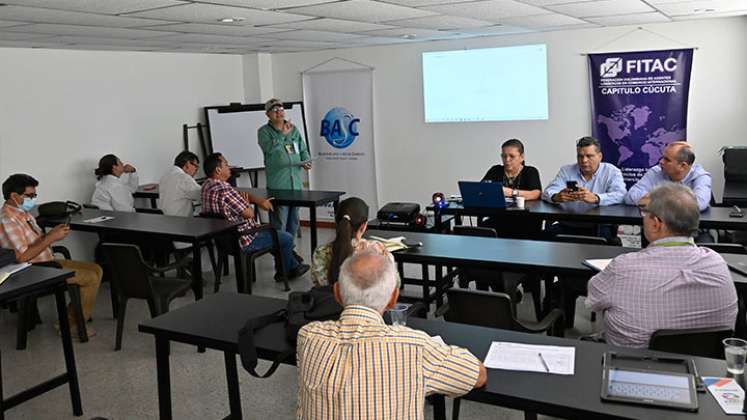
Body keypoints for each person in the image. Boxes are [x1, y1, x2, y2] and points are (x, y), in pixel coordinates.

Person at [297, 248, 487, 419]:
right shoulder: (414, 346)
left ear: (337, 293)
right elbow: (478, 375)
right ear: (393, 299)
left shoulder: (308, 337)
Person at [586, 182, 737, 348]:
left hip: (630, 367)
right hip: (702, 368)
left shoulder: (623, 267)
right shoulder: (717, 263)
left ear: (656, 223)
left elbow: (593, 301)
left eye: (645, 212)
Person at [1, 174, 102, 337]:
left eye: (35, 195)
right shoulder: (8, 220)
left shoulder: (23, 214)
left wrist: (54, 233)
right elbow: (21, 257)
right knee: (89, 277)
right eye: (30, 196)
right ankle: (71, 326)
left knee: (96, 269)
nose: (33, 199)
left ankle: (71, 319)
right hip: (32, 269)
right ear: (14, 196)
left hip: (46, 261)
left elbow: (35, 242)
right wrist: (50, 238)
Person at [201, 152, 309, 279]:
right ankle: (286, 271)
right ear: (218, 170)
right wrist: (247, 203)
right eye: (226, 164)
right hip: (244, 239)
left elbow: (236, 194)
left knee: (277, 238)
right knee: (286, 237)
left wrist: (254, 200)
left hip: (223, 240)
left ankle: (292, 264)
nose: (229, 167)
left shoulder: (206, 186)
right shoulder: (225, 190)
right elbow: (249, 214)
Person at [542, 136, 627, 243]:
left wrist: (597, 198)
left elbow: (621, 195)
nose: (584, 160)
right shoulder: (566, 171)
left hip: (598, 226)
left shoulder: (612, 172)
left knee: (607, 241)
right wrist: (556, 196)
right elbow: (547, 192)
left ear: (600, 156)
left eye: (589, 156)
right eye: (580, 156)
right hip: (568, 223)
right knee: (544, 237)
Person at [258, 98, 311, 260]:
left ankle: (290, 250)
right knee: (280, 222)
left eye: (281, 109)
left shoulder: (293, 129)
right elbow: (269, 149)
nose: (279, 112)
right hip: (278, 185)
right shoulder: (264, 132)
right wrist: (282, 134)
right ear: (268, 114)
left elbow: (302, 148)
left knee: (293, 221)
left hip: (294, 183)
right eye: (275, 110)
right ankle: (281, 256)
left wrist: (306, 160)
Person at [310, 197, 400, 287]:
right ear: (364, 226)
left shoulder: (320, 252)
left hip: (329, 300)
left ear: (337, 222)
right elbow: (395, 283)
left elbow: (317, 284)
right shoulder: (377, 250)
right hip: (371, 300)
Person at [478, 138, 542, 240]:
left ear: (521, 157)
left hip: (524, 220)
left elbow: (536, 193)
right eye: (504, 156)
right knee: (481, 231)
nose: (507, 160)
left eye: (511, 156)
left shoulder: (530, 171)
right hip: (499, 218)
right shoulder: (495, 170)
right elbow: (481, 189)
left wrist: (511, 192)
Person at [625, 141, 712, 211]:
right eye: (662, 157)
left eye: (667, 160)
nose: (661, 162)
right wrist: (675, 201)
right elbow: (630, 196)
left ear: (683, 166)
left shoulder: (701, 176)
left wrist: (653, 199)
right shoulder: (656, 171)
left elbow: (699, 204)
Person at [159, 151, 201, 217]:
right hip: (181, 223)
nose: (196, 170)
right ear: (188, 164)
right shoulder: (184, 178)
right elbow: (202, 195)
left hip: (165, 220)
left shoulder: (165, 176)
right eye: (196, 166)